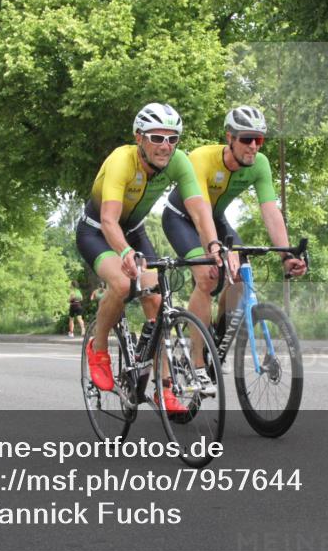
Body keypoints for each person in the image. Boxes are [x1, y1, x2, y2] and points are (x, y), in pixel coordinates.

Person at [76, 102, 225, 414]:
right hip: (97, 231)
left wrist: (212, 246)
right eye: (157, 137)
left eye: (173, 138)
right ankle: (98, 348)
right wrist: (126, 254)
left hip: (135, 231)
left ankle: (164, 387)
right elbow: (108, 220)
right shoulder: (121, 161)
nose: (165, 146)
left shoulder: (178, 162)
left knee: (159, 303)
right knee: (121, 283)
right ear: (138, 138)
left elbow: (199, 210)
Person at [162, 105, 307, 346]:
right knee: (208, 278)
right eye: (247, 139)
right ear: (230, 137)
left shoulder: (260, 164)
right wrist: (215, 250)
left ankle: (217, 341)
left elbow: (270, 211)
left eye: (259, 139)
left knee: (241, 278)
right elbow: (201, 211)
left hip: (216, 219)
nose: (254, 146)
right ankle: (198, 365)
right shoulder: (201, 158)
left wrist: (286, 255)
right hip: (181, 219)